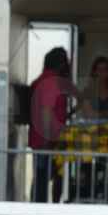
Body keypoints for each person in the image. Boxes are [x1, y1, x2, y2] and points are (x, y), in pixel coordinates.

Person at [29, 48, 77, 204]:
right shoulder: (51, 82)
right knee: (44, 179)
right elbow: (46, 112)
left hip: (42, 139)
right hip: (47, 141)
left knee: (42, 178)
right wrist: (50, 139)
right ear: (61, 64)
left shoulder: (42, 80)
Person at [79, 55, 108, 120]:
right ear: (94, 72)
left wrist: (99, 114)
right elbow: (88, 114)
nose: (102, 73)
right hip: (92, 128)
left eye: (105, 70)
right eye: (99, 70)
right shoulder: (87, 91)